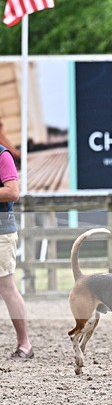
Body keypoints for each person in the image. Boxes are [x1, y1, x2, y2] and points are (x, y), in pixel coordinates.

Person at [0, 144, 32, 359]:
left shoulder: (2, 155)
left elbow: (12, 192)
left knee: (6, 287)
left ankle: (25, 344)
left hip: (1, 232)